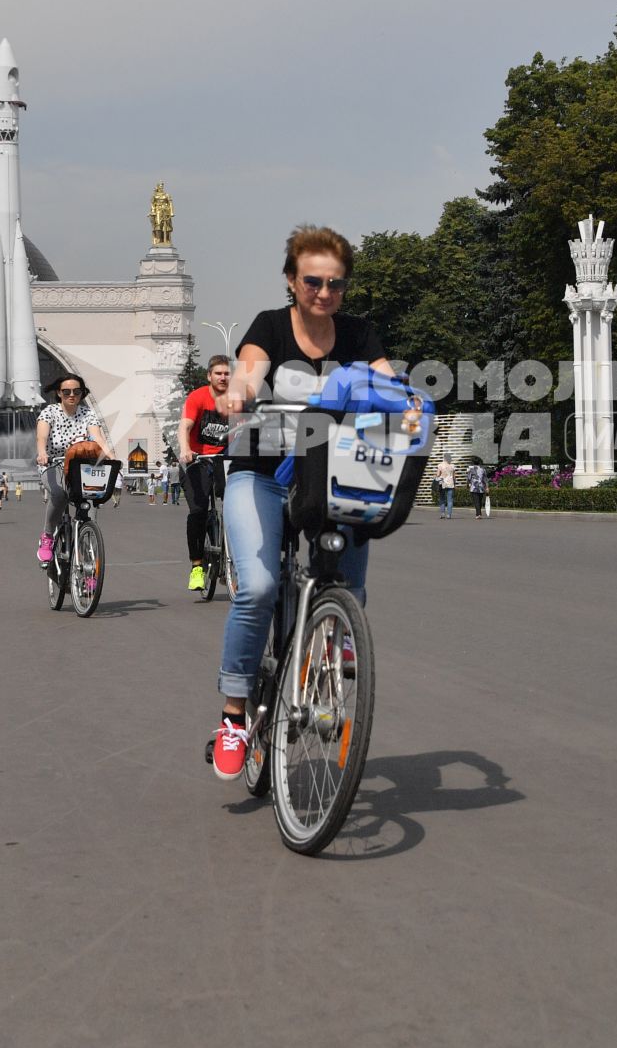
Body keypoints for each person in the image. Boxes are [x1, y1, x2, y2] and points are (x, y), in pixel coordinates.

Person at [208, 225, 392, 780]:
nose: (323, 292)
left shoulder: (360, 336)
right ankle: (234, 715)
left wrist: (403, 404)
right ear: (292, 280)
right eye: (312, 281)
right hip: (262, 469)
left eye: (335, 284)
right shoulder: (269, 326)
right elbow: (251, 369)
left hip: (334, 473)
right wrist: (239, 393)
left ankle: (328, 649)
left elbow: (388, 383)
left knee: (346, 586)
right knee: (260, 587)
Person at [34, 372, 115, 562]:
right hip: (54, 463)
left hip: (81, 466)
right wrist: (42, 453)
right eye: (66, 391)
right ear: (59, 393)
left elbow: (98, 438)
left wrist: (112, 458)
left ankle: (87, 560)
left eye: (76, 391)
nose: (72, 395)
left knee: (91, 502)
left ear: (82, 393)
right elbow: (42, 437)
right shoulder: (50, 412)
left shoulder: (87, 414)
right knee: (59, 493)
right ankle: (47, 536)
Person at [178, 355, 232, 591]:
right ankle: (197, 566)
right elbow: (185, 425)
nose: (223, 377)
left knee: (238, 506)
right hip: (197, 459)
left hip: (224, 458)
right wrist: (185, 449)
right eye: (218, 373)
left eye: (227, 373)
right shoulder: (198, 397)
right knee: (198, 510)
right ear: (209, 376)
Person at [434, 454, 455, 519]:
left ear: (444, 458)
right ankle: (449, 515)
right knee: (450, 500)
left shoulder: (440, 465)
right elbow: (454, 477)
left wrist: (435, 476)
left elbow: (438, 475)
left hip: (442, 484)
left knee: (442, 499)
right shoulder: (452, 466)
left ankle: (443, 514)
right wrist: (455, 484)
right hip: (450, 484)